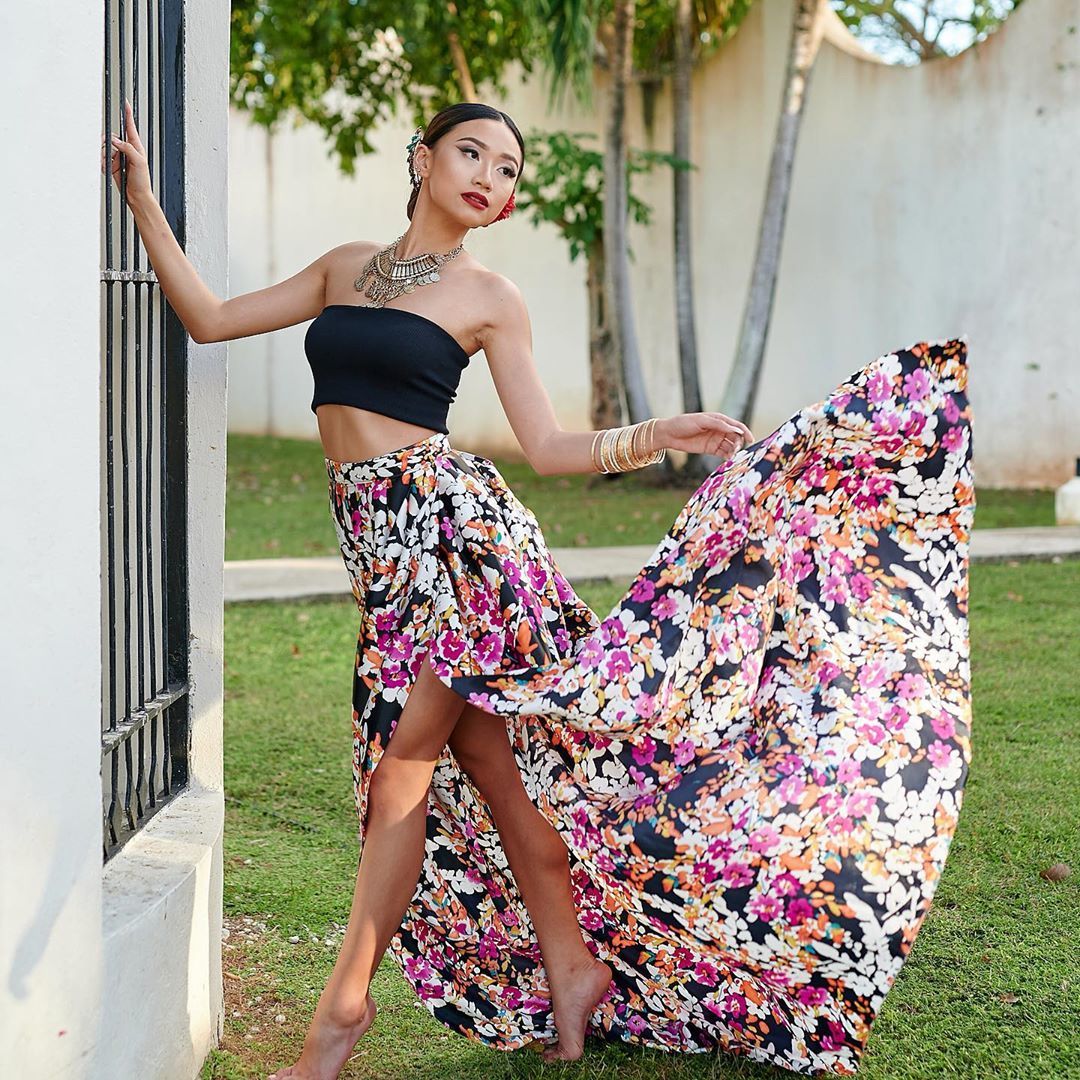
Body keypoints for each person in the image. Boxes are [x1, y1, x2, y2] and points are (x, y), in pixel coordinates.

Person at [104, 98, 974, 1078]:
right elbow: (211, 319)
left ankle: (336, 1023)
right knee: (490, 766)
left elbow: (550, 445)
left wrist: (658, 433)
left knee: (400, 772)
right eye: (471, 152)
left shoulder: (490, 297)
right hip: (381, 559)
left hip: (459, 547)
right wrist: (143, 201)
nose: (489, 175)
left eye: (507, 168)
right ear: (422, 158)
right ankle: (571, 967)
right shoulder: (344, 267)